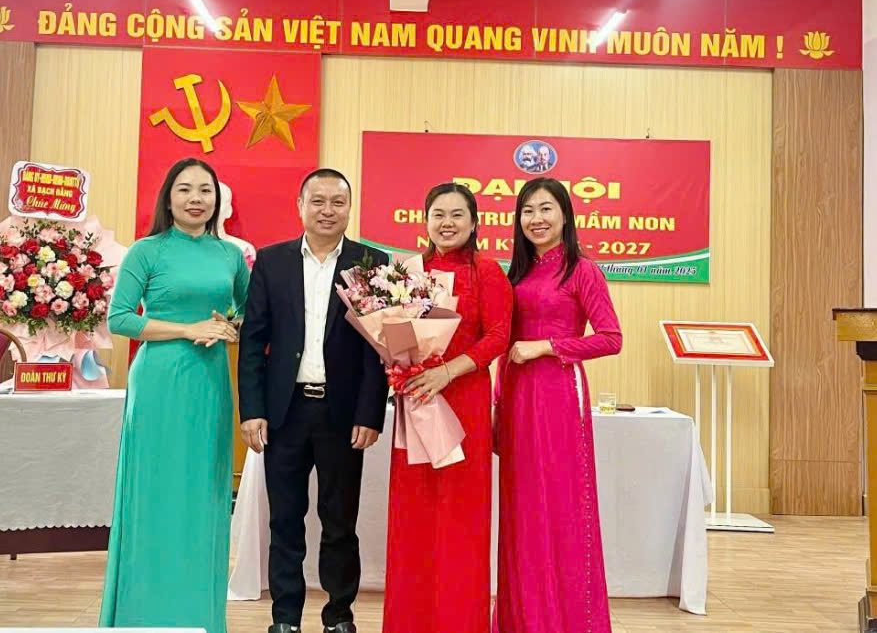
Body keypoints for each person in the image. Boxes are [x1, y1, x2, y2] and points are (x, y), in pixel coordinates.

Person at [99, 158, 249, 633]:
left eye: (205, 190)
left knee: (202, 490)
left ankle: (197, 615)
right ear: (168, 197)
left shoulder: (230, 255)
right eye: (184, 189)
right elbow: (121, 318)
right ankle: (141, 614)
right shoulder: (146, 251)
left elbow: (250, 311)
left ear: (217, 200)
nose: (195, 199)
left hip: (209, 382)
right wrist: (188, 329)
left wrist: (229, 324)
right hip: (159, 380)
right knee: (154, 488)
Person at [238, 168, 390, 633]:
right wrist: (252, 410)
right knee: (285, 521)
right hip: (284, 412)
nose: (328, 211)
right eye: (318, 201)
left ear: (350, 208)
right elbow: (253, 340)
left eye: (337, 202)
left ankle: (339, 616)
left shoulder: (371, 262)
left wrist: (370, 412)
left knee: (339, 522)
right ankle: (284, 618)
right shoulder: (272, 261)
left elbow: (378, 347)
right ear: (300, 206)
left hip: (342, 415)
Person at [492, 177, 622, 632]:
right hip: (516, 399)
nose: (537, 219)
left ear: (565, 215)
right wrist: (497, 406)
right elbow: (504, 348)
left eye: (546, 209)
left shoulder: (581, 270)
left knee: (562, 508)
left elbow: (610, 338)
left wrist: (547, 346)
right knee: (522, 513)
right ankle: (522, 619)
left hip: (560, 396)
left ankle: (566, 620)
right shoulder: (516, 273)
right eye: (527, 211)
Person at [382, 183, 512, 633]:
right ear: (426, 220)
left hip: (465, 400)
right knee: (413, 513)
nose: (447, 223)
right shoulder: (406, 272)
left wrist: (447, 372)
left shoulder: (487, 272)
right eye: (439, 214)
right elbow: (391, 332)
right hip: (417, 399)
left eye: (458, 215)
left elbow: (499, 336)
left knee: (462, 515)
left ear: (474, 223)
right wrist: (400, 363)